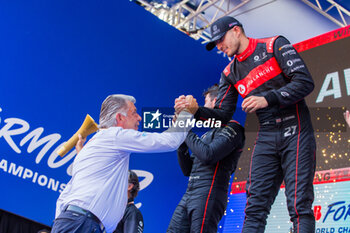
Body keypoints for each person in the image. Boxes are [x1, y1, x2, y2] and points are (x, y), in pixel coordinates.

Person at [177, 16, 316, 232]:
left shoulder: (274, 45)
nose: (220, 46)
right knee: (254, 208)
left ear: (236, 31)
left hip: (296, 128)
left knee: (299, 205)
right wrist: (195, 111)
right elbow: (222, 116)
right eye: (215, 44)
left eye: (221, 39)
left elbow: (305, 82)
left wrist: (267, 99)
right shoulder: (229, 73)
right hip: (267, 135)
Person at [51, 94, 197, 233]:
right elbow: (169, 141)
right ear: (119, 117)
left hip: (78, 222)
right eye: (134, 112)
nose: (139, 117)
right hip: (82, 224)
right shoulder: (115, 135)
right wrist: (187, 114)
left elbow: (66, 194)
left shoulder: (94, 146)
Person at [167, 84, 245, 233]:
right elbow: (187, 169)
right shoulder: (205, 135)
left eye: (205, 103)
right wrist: (181, 138)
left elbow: (209, 155)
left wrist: (185, 129)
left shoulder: (233, 128)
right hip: (190, 192)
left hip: (210, 192)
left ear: (215, 102)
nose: (202, 108)